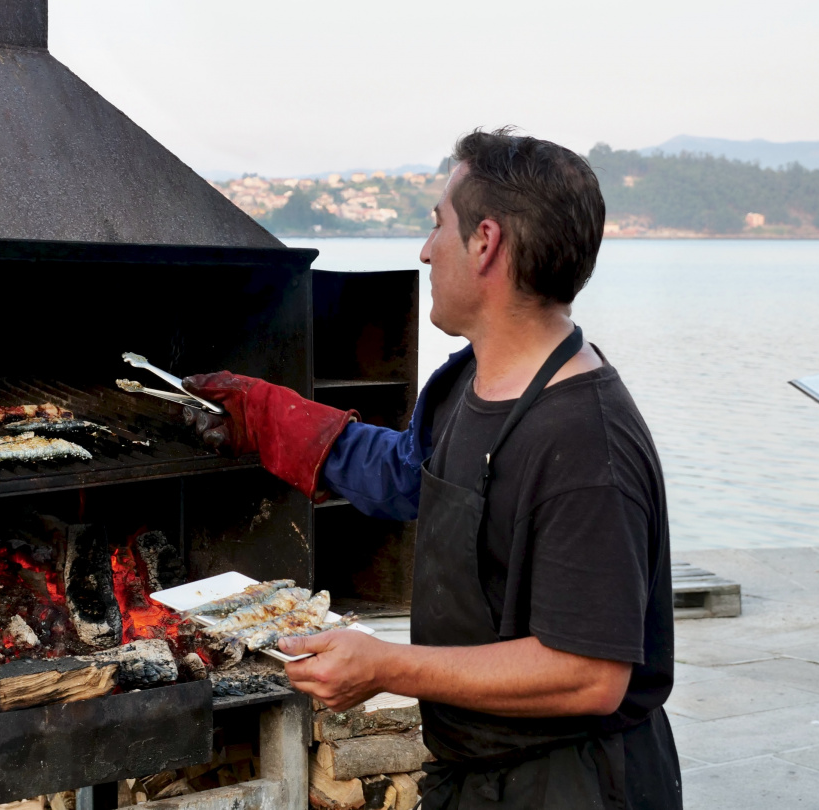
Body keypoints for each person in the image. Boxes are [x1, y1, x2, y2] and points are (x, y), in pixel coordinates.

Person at [181, 128, 680, 809]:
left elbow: (588, 674)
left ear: (486, 242)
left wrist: (389, 666)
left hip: (572, 783)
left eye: (437, 224)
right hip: (475, 771)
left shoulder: (586, 443)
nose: (424, 250)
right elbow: (406, 475)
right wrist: (264, 417)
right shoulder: (468, 383)